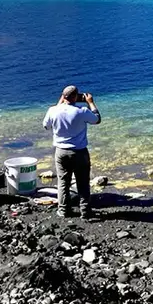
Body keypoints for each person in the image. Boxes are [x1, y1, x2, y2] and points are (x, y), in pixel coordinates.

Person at [42, 85, 101, 219]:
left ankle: (63, 210)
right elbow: (97, 119)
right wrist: (91, 102)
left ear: (63, 97)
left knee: (63, 182)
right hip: (79, 152)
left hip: (61, 152)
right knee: (83, 182)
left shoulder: (52, 110)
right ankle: (85, 211)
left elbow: (46, 126)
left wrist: (60, 102)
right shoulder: (82, 111)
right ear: (75, 97)